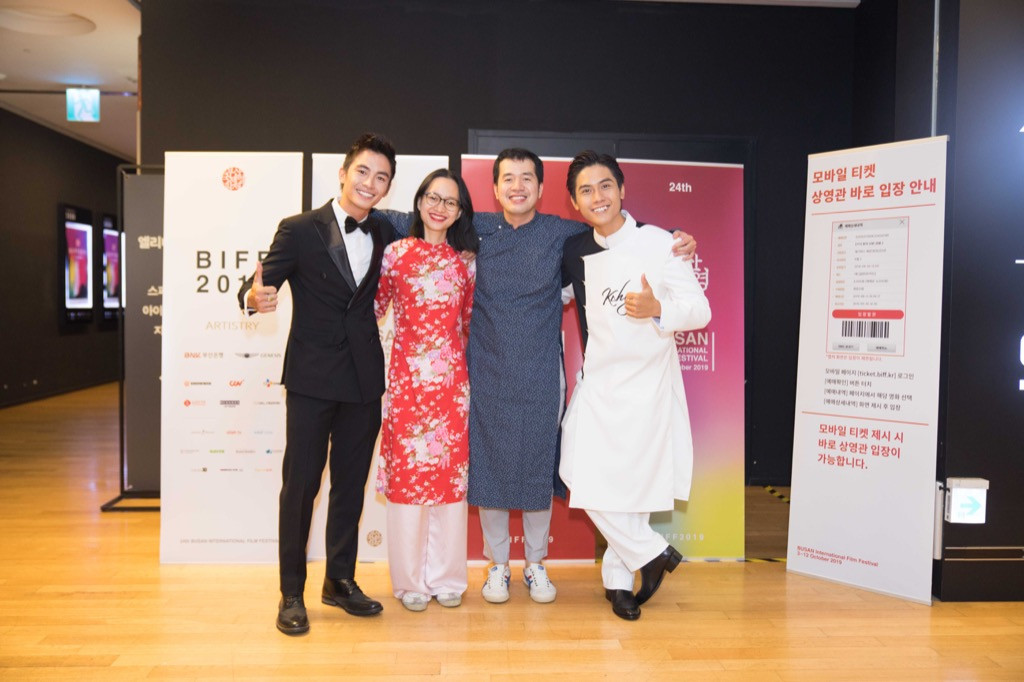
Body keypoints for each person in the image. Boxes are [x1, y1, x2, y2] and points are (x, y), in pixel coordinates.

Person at [376, 149, 697, 605]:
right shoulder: (475, 227)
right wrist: (362, 209)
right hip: (485, 372)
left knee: (539, 470)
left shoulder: (561, 233)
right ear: (495, 188)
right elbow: (399, 218)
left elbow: (613, 226)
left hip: (541, 373)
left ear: (542, 189)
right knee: (488, 472)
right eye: (508, 178)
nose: (518, 186)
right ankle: (498, 566)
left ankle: (536, 564)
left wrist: (674, 238)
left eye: (527, 178)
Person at [237, 133, 399, 635]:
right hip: (311, 378)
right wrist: (254, 298)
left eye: (382, 177)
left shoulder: (387, 229)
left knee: (351, 487)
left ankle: (339, 581)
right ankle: (291, 592)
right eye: (363, 171)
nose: (370, 183)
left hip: (364, 380)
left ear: (388, 187)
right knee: (301, 487)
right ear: (344, 173)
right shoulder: (299, 228)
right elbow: (258, 284)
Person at [559, 150, 711, 621]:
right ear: (574, 201)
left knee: (634, 484)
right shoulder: (573, 250)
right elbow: (560, 294)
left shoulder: (661, 243)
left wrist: (659, 310)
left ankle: (619, 584)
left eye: (605, 185)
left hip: (648, 382)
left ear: (622, 189)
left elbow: (699, 310)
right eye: (586, 190)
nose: (597, 197)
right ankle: (652, 553)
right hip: (599, 379)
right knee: (574, 470)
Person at [373, 169, 478, 612]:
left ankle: (448, 578)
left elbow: (467, 323)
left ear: (459, 212)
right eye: (433, 198)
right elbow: (375, 307)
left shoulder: (465, 263)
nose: (440, 207)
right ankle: (410, 582)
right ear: (419, 202)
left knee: (448, 481)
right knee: (407, 481)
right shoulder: (395, 254)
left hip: (451, 389)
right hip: (405, 386)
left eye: (450, 202)